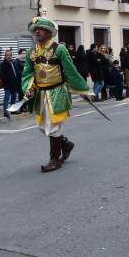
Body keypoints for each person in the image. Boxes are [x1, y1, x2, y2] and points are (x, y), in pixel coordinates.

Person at [21, 16, 90, 173]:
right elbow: (27, 73)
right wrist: (29, 88)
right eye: (35, 29)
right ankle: (66, 144)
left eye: (41, 29)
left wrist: (82, 89)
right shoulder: (31, 52)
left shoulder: (59, 49)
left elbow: (70, 71)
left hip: (57, 92)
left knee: (53, 127)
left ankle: (55, 159)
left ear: (49, 32)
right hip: (40, 94)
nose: (37, 31)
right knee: (42, 127)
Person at [0, 50, 21, 118]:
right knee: (7, 98)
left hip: (14, 84)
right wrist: (8, 82)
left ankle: (13, 110)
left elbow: (16, 73)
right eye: (7, 55)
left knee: (13, 98)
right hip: (8, 85)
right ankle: (5, 112)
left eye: (10, 55)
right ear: (5, 56)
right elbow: (2, 76)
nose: (8, 56)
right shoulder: (2, 64)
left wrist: (18, 81)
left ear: (11, 56)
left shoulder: (13, 63)